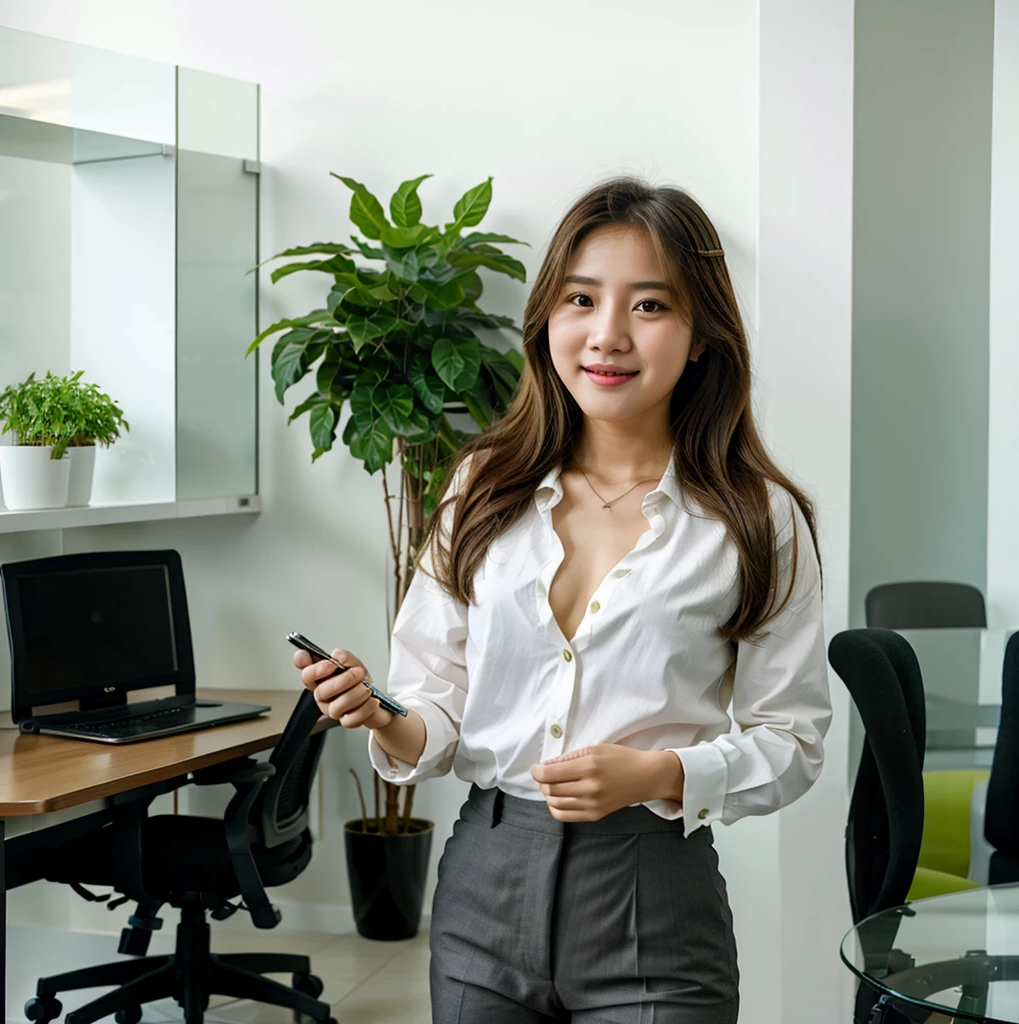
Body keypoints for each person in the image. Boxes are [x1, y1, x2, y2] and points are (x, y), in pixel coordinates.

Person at [295, 176, 832, 1023]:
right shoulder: (482, 485)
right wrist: (378, 711)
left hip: (653, 900)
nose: (607, 335)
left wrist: (661, 773)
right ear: (548, 315)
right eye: (581, 298)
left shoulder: (756, 518)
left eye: (649, 306)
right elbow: (437, 703)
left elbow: (793, 740)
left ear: (700, 338)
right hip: (483, 889)